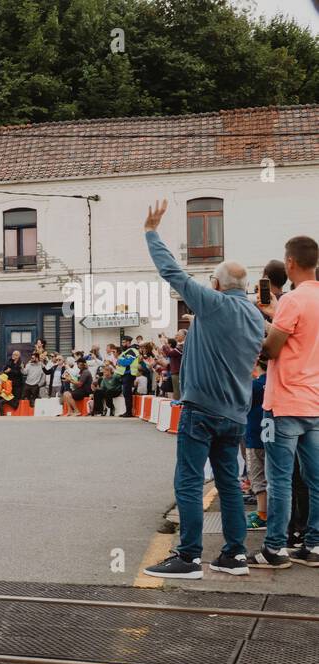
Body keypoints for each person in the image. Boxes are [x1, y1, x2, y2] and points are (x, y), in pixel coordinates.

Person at [139, 199, 265, 579]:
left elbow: (172, 272)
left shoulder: (212, 304)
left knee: (190, 480)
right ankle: (234, 555)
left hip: (201, 410)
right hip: (234, 414)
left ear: (216, 284)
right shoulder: (256, 318)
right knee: (228, 484)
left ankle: (189, 556)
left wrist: (151, 231)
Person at [254, 235, 319, 568]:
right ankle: (314, 545)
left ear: (290, 263)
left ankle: (275, 548)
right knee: (315, 478)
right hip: (315, 403)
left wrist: (268, 322)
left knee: (279, 478)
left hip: (284, 403)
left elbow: (271, 349)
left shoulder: (292, 300)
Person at [244, 357, 268, 529]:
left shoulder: (253, 386)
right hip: (275, 435)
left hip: (254, 434)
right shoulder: (275, 382)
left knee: (257, 475)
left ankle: (262, 514)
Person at [116, 334, 141, 416]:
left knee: (127, 393)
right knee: (126, 393)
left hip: (129, 374)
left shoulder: (132, 350)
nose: (122, 344)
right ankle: (127, 411)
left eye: (123, 342)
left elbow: (127, 362)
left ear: (128, 342)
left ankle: (129, 412)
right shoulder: (127, 351)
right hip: (125, 374)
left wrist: (119, 361)